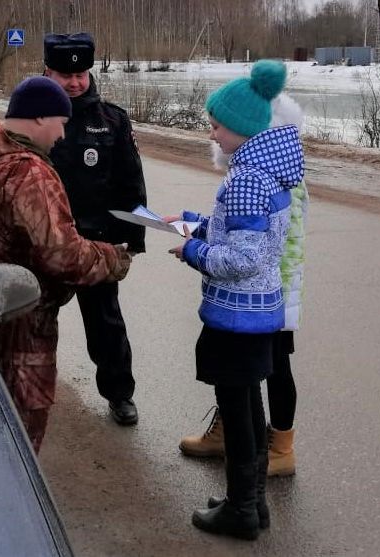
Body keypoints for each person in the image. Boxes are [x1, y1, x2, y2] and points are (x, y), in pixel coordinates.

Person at [0, 76, 132, 452]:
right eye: (60, 124)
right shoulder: (30, 173)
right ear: (38, 118)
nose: (62, 136)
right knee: (20, 433)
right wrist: (114, 258)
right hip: (22, 320)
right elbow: (63, 256)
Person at [167, 60, 304, 540]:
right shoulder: (265, 171)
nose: (212, 132)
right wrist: (193, 223)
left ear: (243, 129)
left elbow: (243, 256)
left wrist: (192, 250)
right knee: (248, 405)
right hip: (260, 309)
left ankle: (241, 511)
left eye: (217, 125)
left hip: (237, 313)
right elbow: (251, 237)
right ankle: (252, 503)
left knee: (239, 409)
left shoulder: (247, 178)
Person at [43, 32, 147, 426]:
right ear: (48, 72)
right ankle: (30, 392)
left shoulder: (112, 120)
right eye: (64, 74)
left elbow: (129, 183)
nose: (74, 82)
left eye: (81, 74)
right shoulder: (35, 117)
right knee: (33, 324)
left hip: (95, 242)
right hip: (46, 243)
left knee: (106, 325)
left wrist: (132, 239)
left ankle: (119, 394)